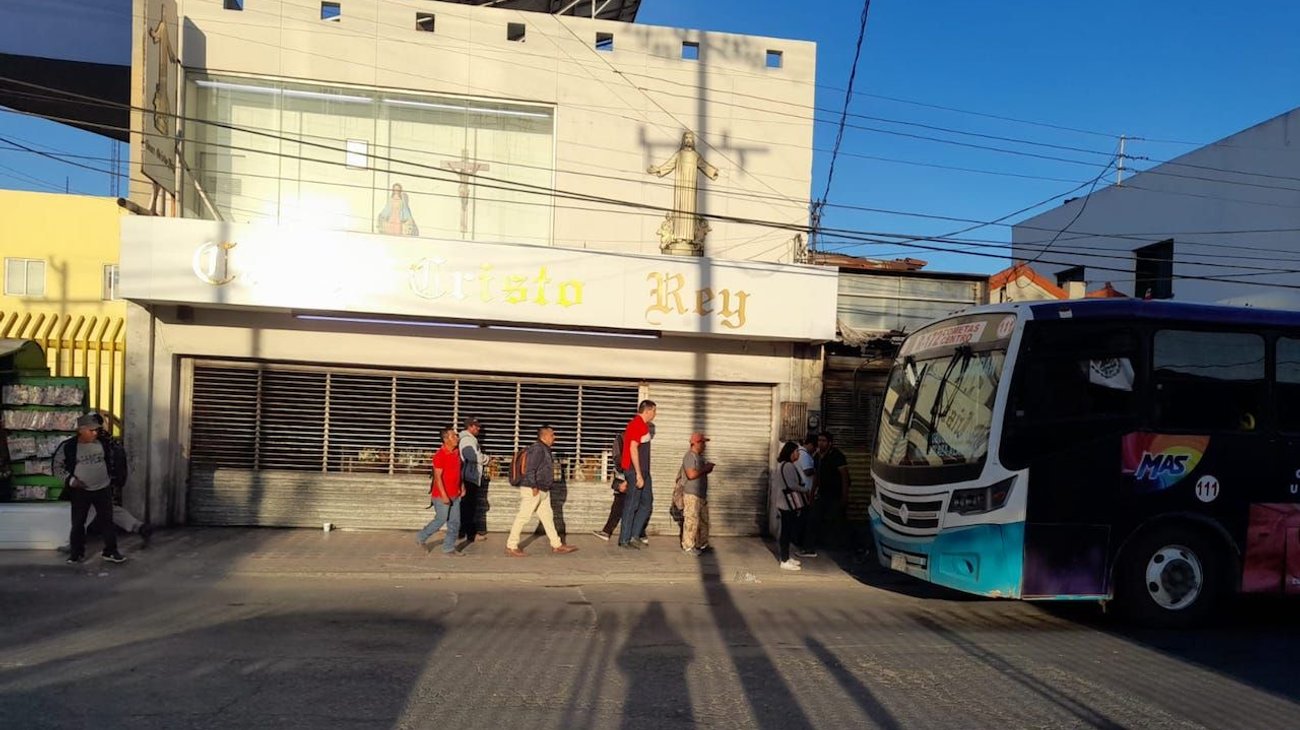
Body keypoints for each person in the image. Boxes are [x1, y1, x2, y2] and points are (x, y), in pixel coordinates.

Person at [55, 413, 152, 553]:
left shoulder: (99, 441)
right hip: (107, 481)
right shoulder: (105, 439)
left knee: (87, 513)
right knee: (107, 510)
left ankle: (74, 544)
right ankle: (139, 527)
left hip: (100, 483)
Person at [60, 414, 127, 564]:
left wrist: (114, 479)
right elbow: (57, 466)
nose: (95, 433)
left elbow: (116, 456)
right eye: (91, 430)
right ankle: (76, 553)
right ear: (81, 430)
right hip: (80, 491)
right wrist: (71, 480)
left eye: (97, 430)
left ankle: (110, 551)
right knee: (78, 523)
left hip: (102, 488)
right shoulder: (69, 446)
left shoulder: (104, 443)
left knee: (107, 522)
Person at [505, 426, 579, 557]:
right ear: (544, 436)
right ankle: (511, 545)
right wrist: (533, 486)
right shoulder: (537, 449)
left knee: (547, 518)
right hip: (534, 489)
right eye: (552, 435)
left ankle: (557, 544)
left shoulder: (545, 449)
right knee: (523, 517)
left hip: (543, 489)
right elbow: (530, 469)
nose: (554, 437)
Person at [415, 428, 464, 556]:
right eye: (454, 436)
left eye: (456, 435)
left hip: (455, 494)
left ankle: (449, 548)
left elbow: (459, 472)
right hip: (442, 495)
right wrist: (444, 495)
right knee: (440, 520)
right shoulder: (440, 455)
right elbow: (437, 477)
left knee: (454, 522)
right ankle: (421, 537)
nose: (457, 438)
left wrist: (462, 486)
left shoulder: (457, 453)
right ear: (446, 439)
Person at [592, 434, 649, 545]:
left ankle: (639, 534)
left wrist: (626, 475)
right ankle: (638, 534)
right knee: (624, 505)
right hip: (632, 476)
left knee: (626, 505)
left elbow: (618, 459)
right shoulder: (630, 439)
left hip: (627, 476)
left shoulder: (623, 440)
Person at [618, 400, 657, 550]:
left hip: (644, 471)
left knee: (647, 503)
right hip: (635, 471)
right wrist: (638, 475)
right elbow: (633, 449)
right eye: (654, 411)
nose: (655, 414)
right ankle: (624, 539)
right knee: (632, 504)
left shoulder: (644, 426)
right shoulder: (636, 424)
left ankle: (634, 535)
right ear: (647, 411)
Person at [813, 431, 851, 551]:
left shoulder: (837, 456)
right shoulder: (817, 456)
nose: (821, 443)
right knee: (818, 518)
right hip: (822, 493)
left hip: (836, 494)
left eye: (823, 441)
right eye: (819, 440)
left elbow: (845, 476)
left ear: (830, 443)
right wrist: (812, 493)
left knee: (838, 520)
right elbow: (816, 476)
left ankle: (845, 546)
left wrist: (844, 495)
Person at [679, 432, 715, 556]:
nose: (704, 446)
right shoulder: (690, 457)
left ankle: (702, 544)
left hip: (701, 495)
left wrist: (707, 468)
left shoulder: (699, 457)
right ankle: (688, 546)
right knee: (691, 520)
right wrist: (705, 469)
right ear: (696, 443)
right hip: (691, 494)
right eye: (703, 443)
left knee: (704, 521)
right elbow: (691, 474)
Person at [774, 441, 807, 571]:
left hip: (785, 503)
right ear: (791, 453)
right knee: (786, 532)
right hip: (787, 504)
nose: (798, 454)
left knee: (787, 531)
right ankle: (784, 560)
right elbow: (792, 485)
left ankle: (786, 557)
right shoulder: (788, 466)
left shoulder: (784, 465)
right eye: (796, 451)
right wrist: (805, 490)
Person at [458, 417, 489, 544]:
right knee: (469, 506)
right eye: (476, 426)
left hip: (470, 476)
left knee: (466, 506)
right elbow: (472, 456)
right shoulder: (467, 440)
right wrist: (487, 458)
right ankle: (471, 534)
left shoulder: (468, 439)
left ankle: (461, 532)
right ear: (469, 427)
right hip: (469, 477)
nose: (478, 429)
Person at [793, 435, 819, 559]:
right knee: (806, 520)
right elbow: (808, 471)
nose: (815, 450)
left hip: (804, 491)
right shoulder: (804, 455)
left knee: (804, 519)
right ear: (810, 445)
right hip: (806, 492)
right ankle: (804, 545)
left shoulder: (801, 453)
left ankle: (801, 543)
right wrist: (818, 470)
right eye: (815, 447)